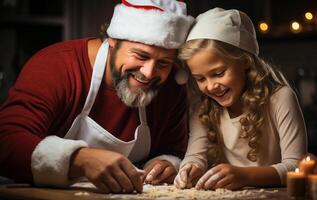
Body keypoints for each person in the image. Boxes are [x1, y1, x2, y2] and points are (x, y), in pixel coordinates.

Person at [0, 0, 194, 194]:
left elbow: (174, 149)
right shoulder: (56, 66)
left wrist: (167, 163)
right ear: (113, 40)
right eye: (141, 56)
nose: (149, 73)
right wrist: (80, 159)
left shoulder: (171, 88)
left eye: (163, 63)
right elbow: (6, 141)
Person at [174, 8, 308, 190]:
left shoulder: (280, 98)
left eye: (219, 73)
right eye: (200, 79)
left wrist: (244, 176)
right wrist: (189, 168)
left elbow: (297, 167)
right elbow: (195, 156)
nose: (211, 85)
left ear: (245, 61)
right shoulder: (202, 107)